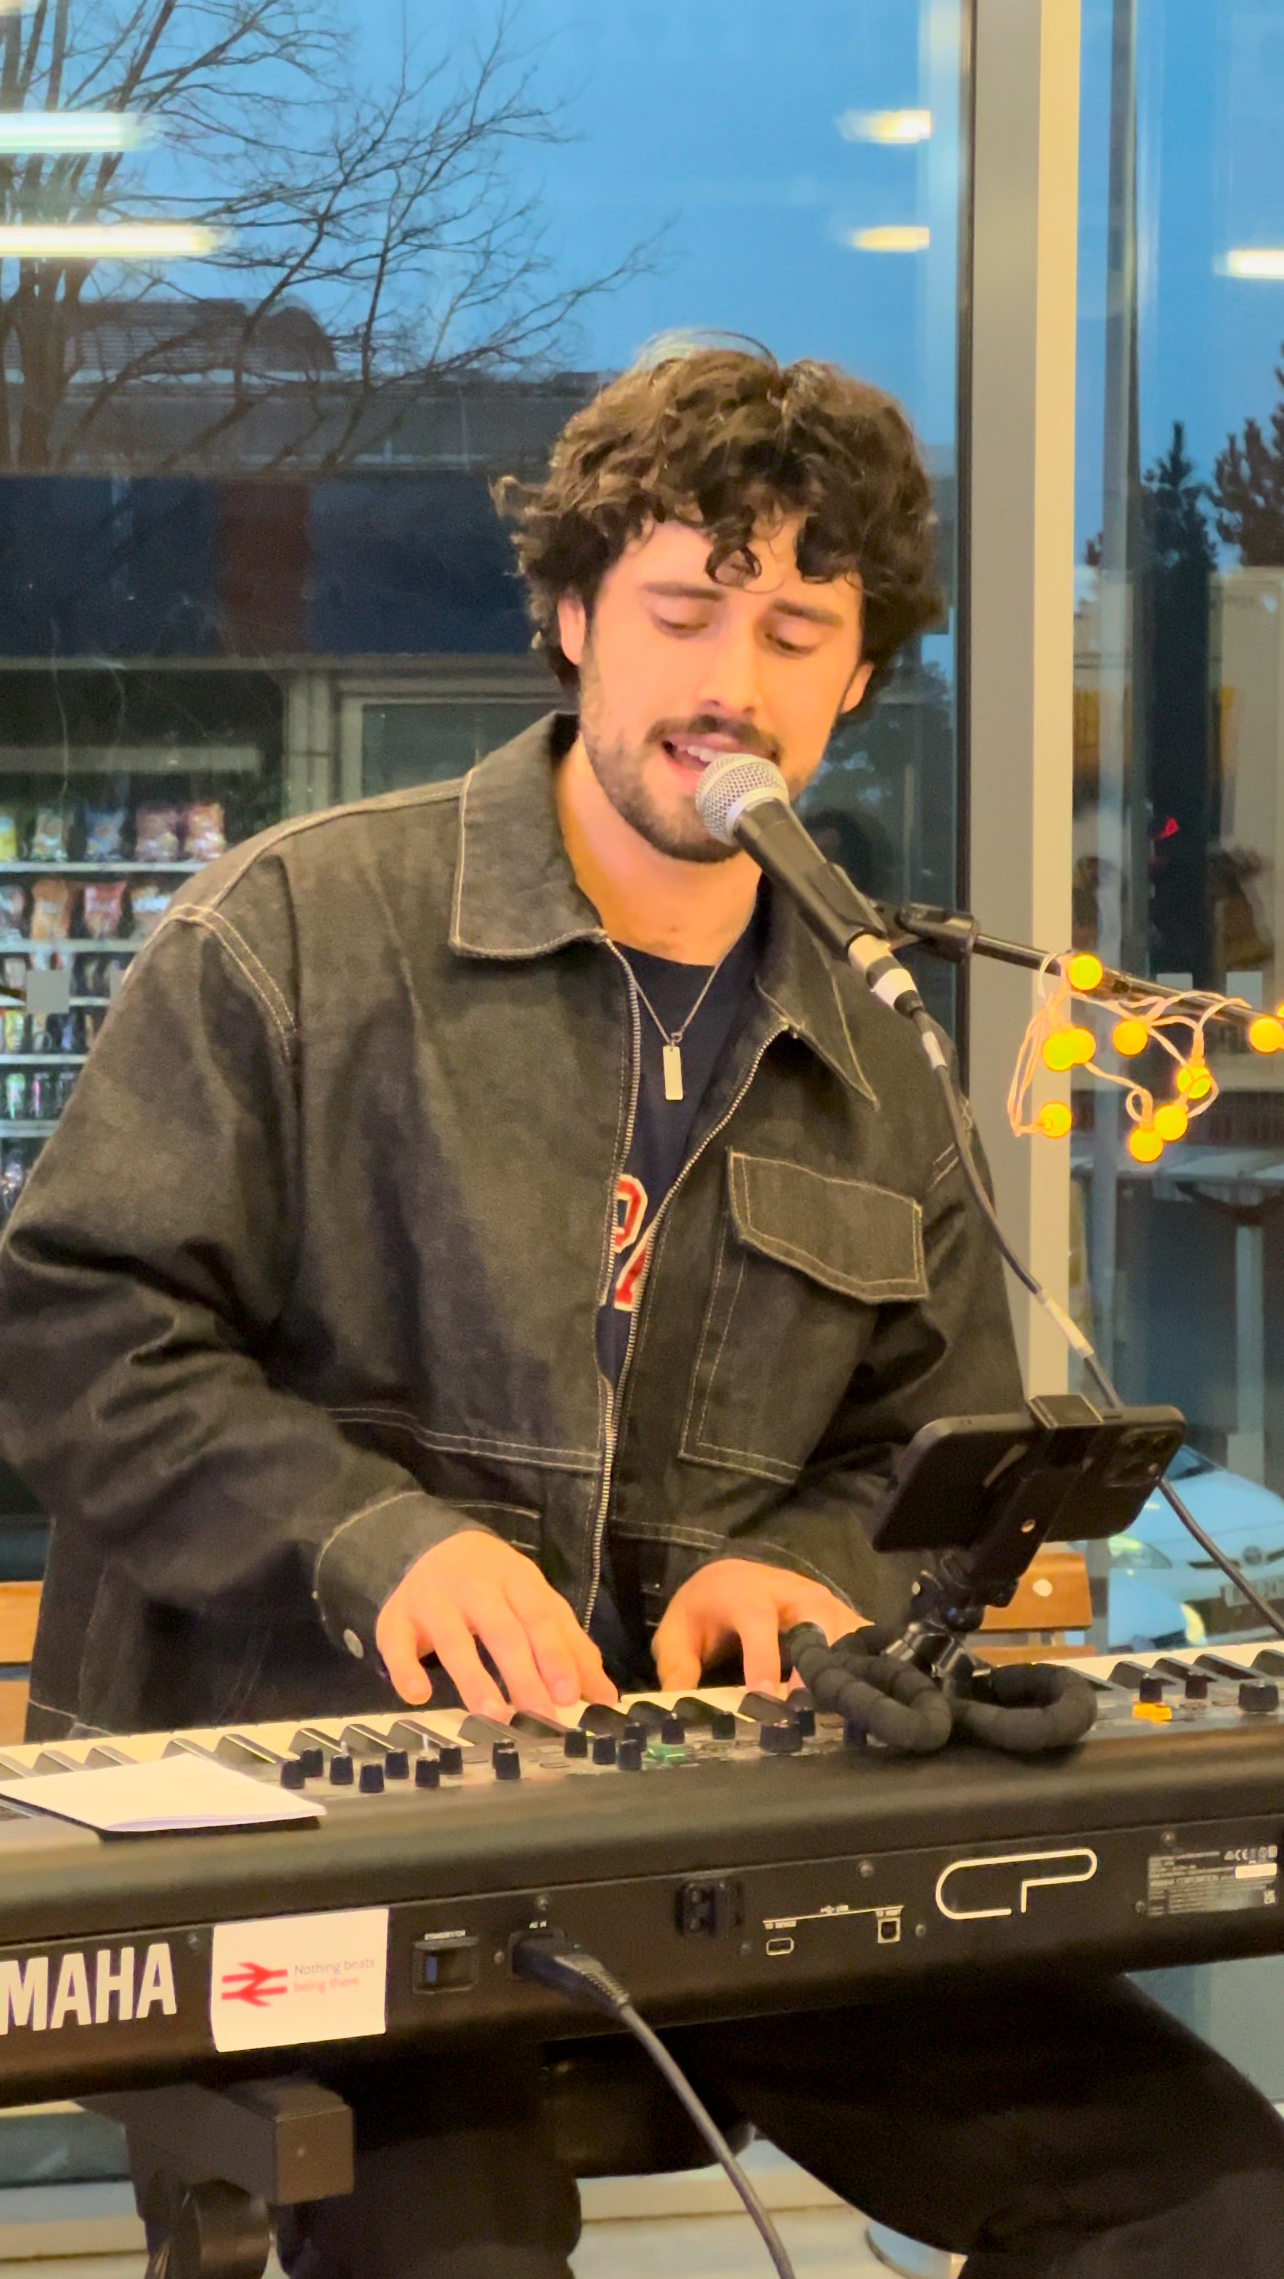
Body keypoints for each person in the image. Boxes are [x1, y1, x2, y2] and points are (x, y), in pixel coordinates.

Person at [0, 346, 1280, 2279]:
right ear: (575, 618)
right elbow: (78, 1332)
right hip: (329, 1844)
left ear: (858, 680)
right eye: (685, 607)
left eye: (795, 630)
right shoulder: (294, 932)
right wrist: (374, 1542)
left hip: (734, 1848)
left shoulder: (879, 1036)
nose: (729, 681)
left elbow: (915, 1445)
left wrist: (810, 1572)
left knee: (1218, 2210)